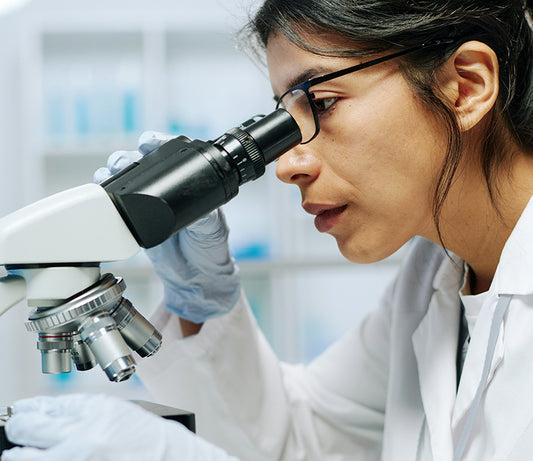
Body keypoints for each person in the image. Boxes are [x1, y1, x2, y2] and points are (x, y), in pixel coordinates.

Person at [2, 0, 533, 459]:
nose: (286, 165)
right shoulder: (431, 280)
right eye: (285, 117)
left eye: (322, 103)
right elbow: (304, 438)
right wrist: (201, 305)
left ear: (466, 85)